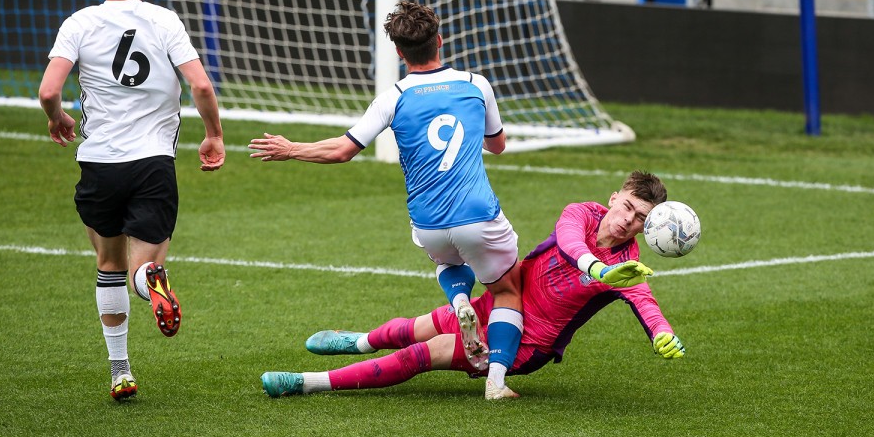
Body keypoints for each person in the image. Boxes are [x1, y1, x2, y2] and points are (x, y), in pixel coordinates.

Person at [249, 0, 530, 399]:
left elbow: (342, 150)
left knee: (449, 260)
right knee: (506, 291)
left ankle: (461, 299)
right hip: (478, 215)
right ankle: (497, 382)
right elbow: (497, 145)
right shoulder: (475, 83)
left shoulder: (393, 97)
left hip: (429, 225)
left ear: (399, 53)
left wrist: (291, 148)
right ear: (440, 40)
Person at [259, 171, 678, 398]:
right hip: (498, 302)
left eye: (640, 217)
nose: (627, 220)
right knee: (415, 326)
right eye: (626, 206)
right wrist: (597, 269)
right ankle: (361, 341)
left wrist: (662, 333)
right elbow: (569, 243)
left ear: (648, 226)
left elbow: (645, 301)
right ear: (612, 198)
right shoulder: (582, 213)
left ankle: (309, 382)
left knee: (425, 352)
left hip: (528, 342)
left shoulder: (629, 265)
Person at [38, 0, 225, 402]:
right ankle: (150, 283)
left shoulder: (78, 23)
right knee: (144, 266)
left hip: (99, 162)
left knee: (107, 265)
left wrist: (57, 117)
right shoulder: (164, 20)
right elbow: (199, 83)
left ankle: (120, 371)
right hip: (152, 162)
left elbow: (48, 90)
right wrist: (214, 134)